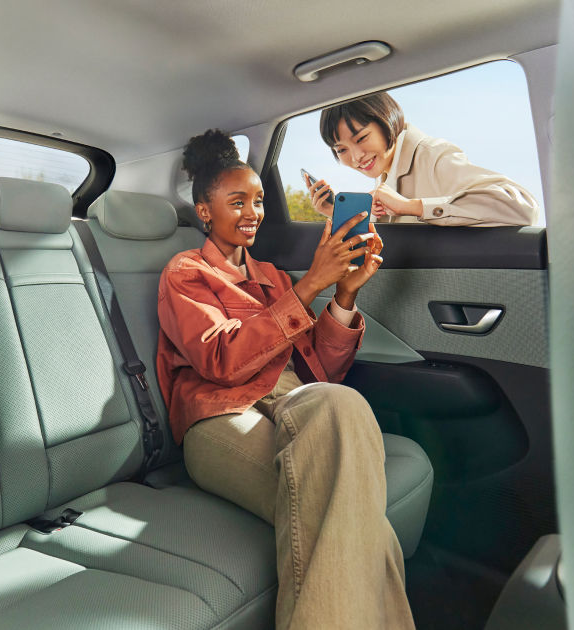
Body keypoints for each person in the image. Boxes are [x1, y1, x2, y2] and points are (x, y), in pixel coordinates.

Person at [156, 129, 415, 629]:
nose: (253, 212)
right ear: (204, 211)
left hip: (294, 405)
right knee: (367, 525)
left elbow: (321, 371)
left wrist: (343, 295)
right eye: (237, 202)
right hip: (221, 417)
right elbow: (221, 362)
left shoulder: (273, 277)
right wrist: (312, 283)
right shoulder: (185, 273)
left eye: (257, 200)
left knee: (342, 403)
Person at [306, 92, 539, 226]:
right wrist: (338, 214)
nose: (356, 157)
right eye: (341, 150)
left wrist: (411, 207)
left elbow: (524, 208)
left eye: (362, 138)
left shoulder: (432, 156)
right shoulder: (385, 177)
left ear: (386, 120)